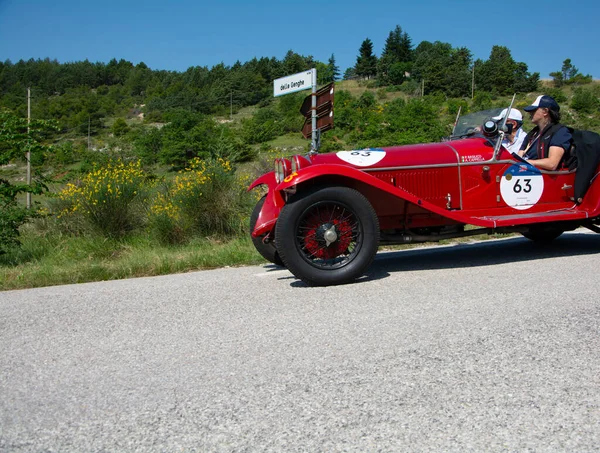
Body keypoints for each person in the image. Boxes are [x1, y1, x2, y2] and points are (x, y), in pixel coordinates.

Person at [518, 95, 573, 171]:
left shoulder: (560, 132)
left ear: (545, 111)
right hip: (529, 175)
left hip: (548, 178)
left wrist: (528, 162)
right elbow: (519, 156)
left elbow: (552, 164)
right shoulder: (533, 133)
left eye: (534, 110)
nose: (530, 113)